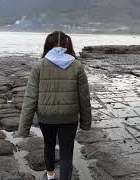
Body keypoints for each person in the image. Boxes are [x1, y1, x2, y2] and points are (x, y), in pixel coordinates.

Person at [17, 31, 92, 180]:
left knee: (49, 145)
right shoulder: (77, 66)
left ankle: (50, 175)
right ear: (67, 44)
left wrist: (23, 128)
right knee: (66, 154)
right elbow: (84, 98)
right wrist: (86, 123)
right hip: (69, 118)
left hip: (46, 118)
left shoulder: (39, 65)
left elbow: (30, 97)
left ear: (48, 45)